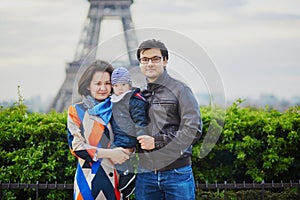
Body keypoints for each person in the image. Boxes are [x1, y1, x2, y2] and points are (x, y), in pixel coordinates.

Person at [135, 39, 203, 200]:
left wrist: (156, 142)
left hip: (176, 173)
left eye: (155, 59)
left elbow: (193, 130)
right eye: (145, 59)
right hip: (146, 173)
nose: (150, 63)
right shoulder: (139, 94)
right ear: (140, 63)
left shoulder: (181, 90)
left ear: (165, 61)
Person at [67, 60, 131, 200]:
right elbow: (77, 147)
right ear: (88, 86)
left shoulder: (120, 109)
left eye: (107, 83)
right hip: (87, 183)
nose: (103, 88)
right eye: (98, 83)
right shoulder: (76, 111)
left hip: (116, 183)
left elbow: (130, 139)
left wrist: (127, 151)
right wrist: (111, 153)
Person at [110, 67, 149, 199]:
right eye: (116, 85)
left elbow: (140, 120)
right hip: (118, 134)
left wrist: (141, 135)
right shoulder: (114, 99)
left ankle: (127, 175)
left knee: (119, 152)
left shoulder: (134, 101)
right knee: (115, 154)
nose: (119, 88)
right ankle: (125, 176)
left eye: (123, 84)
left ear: (129, 85)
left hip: (127, 136)